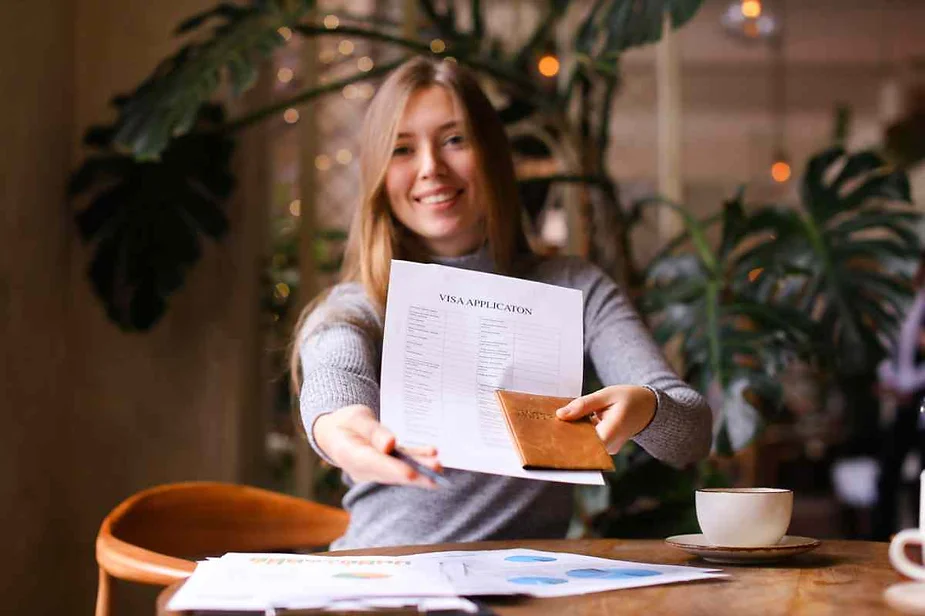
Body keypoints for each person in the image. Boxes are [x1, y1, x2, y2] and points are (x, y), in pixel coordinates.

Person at [291, 56, 712, 550]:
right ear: (379, 175)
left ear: (492, 153)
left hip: (527, 589)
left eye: (454, 140)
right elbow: (334, 373)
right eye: (402, 149)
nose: (431, 168)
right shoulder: (357, 305)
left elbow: (691, 432)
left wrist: (647, 408)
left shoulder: (575, 287)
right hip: (386, 578)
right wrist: (340, 424)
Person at [872, 252, 925, 540]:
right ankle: (881, 537)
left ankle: (920, 535)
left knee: (922, 474)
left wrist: (911, 387)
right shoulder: (901, 303)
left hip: (920, 398)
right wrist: (891, 381)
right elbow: (892, 351)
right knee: (888, 470)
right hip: (904, 399)